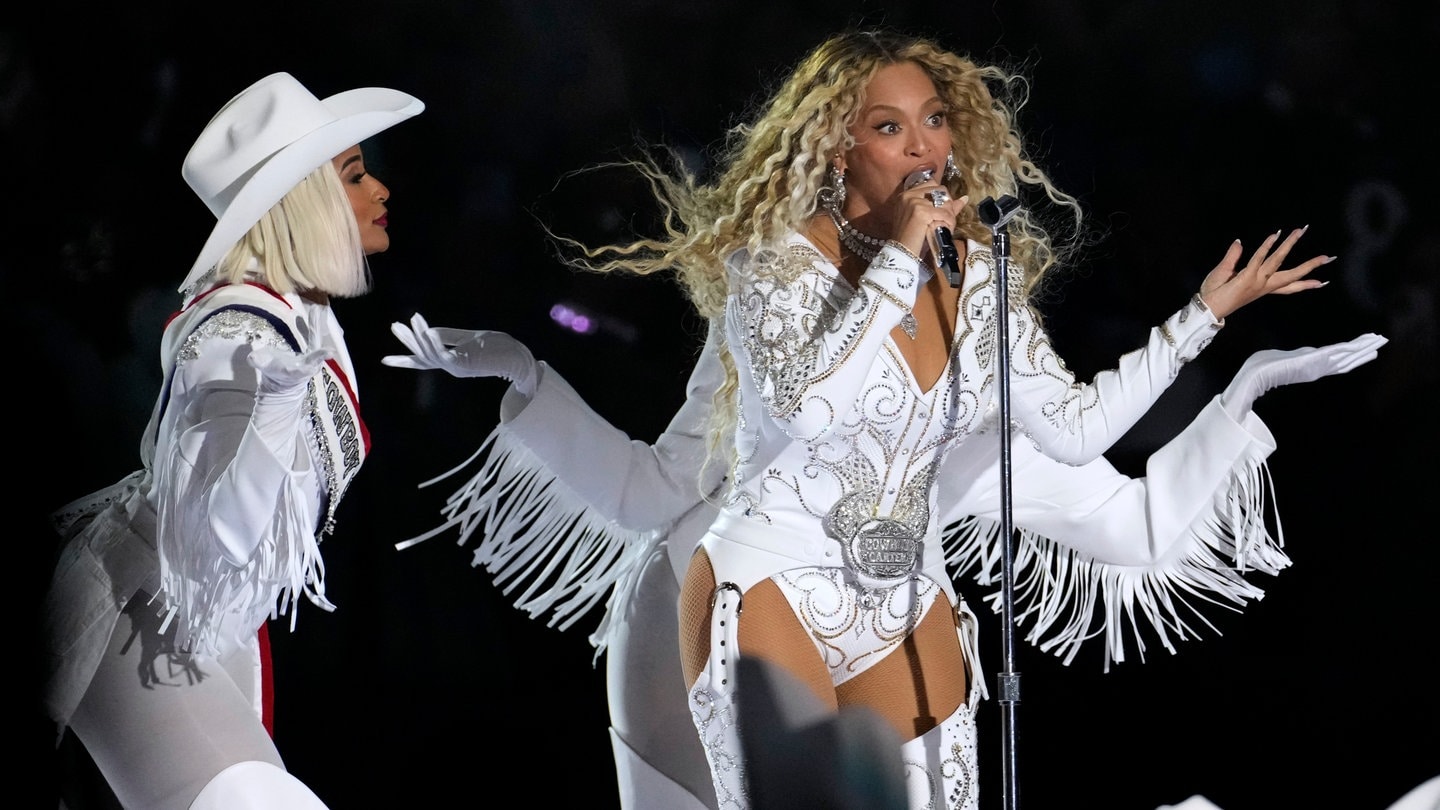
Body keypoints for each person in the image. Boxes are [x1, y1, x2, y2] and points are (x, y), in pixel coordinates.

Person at [383, 28, 1386, 810]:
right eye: (889, 126)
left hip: (906, 600)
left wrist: (1213, 331)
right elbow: (806, 409)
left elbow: (1078, 436)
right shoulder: (769, 268)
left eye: (937, 120)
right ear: (835, 144)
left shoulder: (981, 284)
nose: (924, 148)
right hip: (759, 573)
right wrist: (524, 376)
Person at [40, 71, 423, 809]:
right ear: (300, 205)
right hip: (136, 605)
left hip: (195, 621)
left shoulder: (304, 317)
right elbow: (220, 538)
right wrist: (271, 405)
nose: (379, 191)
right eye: (353, 176)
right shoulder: (234, 334)